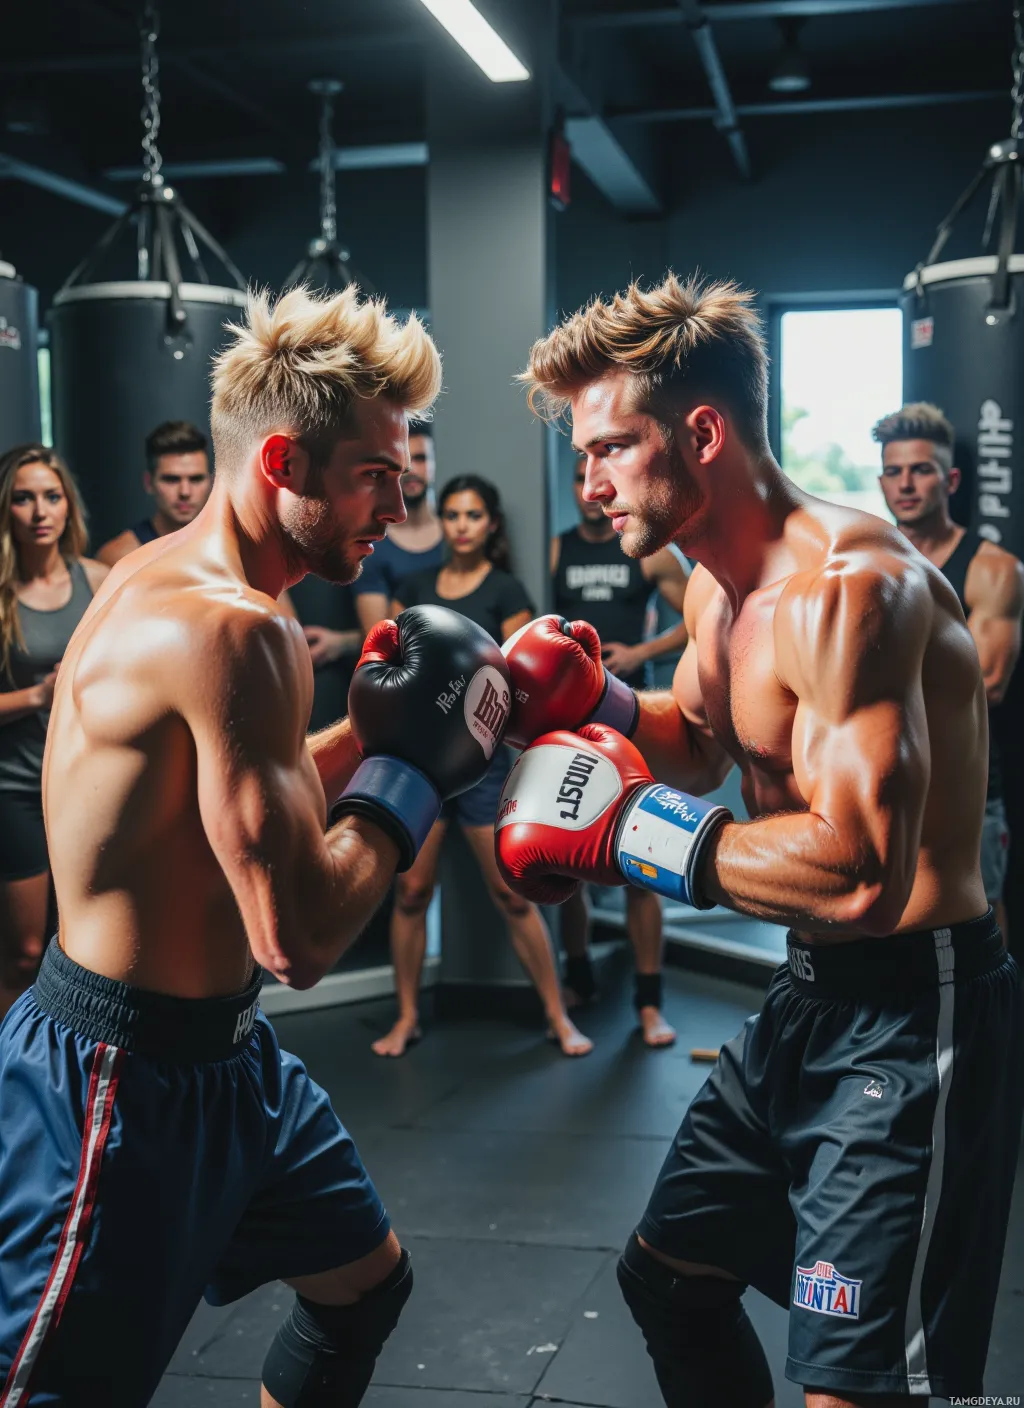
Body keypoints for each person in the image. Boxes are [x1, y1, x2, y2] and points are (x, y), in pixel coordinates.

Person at [494, 274, 1023, 1406]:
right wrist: (601, 705)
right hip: (804, 997)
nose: (586, 483)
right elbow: (702, 735)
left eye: (609, 448)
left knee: (862, 1387)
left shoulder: (850, 590)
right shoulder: (711, 590)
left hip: (910, 1009)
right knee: (669, 1275)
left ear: (701, 430)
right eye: (580, 454)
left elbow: (858, 874)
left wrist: (622, 828)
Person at [0, 285, 509, 1407]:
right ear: (284, 458)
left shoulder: (177, 579)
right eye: (375, 471)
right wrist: (413, 771)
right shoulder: (235, 628)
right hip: (120, 1080)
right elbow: (299, 937)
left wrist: (375, 730)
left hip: (235, 1065)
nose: (403, 493)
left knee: (361, 1287)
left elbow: (220, 790)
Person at [371, 474, 591, 1059]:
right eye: (452, 514)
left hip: (482, 760)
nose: (461, 525)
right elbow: (389, 675)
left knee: (514, 895)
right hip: (419, 764)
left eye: (473, 515)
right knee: (412, 893)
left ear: (490, 524)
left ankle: (557, 1016)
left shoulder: (504, 588)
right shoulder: (414, 585)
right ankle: (408, 1017)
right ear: (441, 522)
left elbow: (524, 679)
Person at [874, 402, 1024, 942]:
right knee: (886, 924)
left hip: (967, 788)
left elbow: (985, 686)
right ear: (881, 481)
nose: (906, 483)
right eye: (894, 471)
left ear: (950, 479)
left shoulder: (994, 569)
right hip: (884, 783)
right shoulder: (866, 561)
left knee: (978, 920)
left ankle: (994, 1028)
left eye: (921, 469)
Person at [553, 457, 690, 1045]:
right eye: (582, 484)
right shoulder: (556, 551)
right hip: (568, 719)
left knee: (642, 866)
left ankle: (649, 1003)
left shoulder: (648, 549)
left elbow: (695, 620)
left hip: (629, 712)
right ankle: (580, 979)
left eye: (602, 485)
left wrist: (637, 655)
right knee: (564, 863)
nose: (592, 493)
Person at [0, 443, 108, 1019]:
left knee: (85, 951)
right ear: (6, 509)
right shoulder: (2, 592)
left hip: (84, 788)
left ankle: (69, 1084)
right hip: (14, 786)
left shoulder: (98, 580)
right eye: (23, 498)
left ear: (68, 506)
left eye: (51, 495)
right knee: (20, 955)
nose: (40, 510)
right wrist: (38, 696)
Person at [305, 420, 444, 667]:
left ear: (433, 463)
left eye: (421, 459)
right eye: (402, 463)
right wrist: (344, 643)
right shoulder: (375, 544)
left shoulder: (459, 535)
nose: (412, 471)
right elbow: (378, 638)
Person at [96, 419, 212, 565]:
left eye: (196, 479)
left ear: (211, 481)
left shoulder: (231, 550)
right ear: (148, 482)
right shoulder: (121, 557)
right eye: (171, 479)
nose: (185, 492)